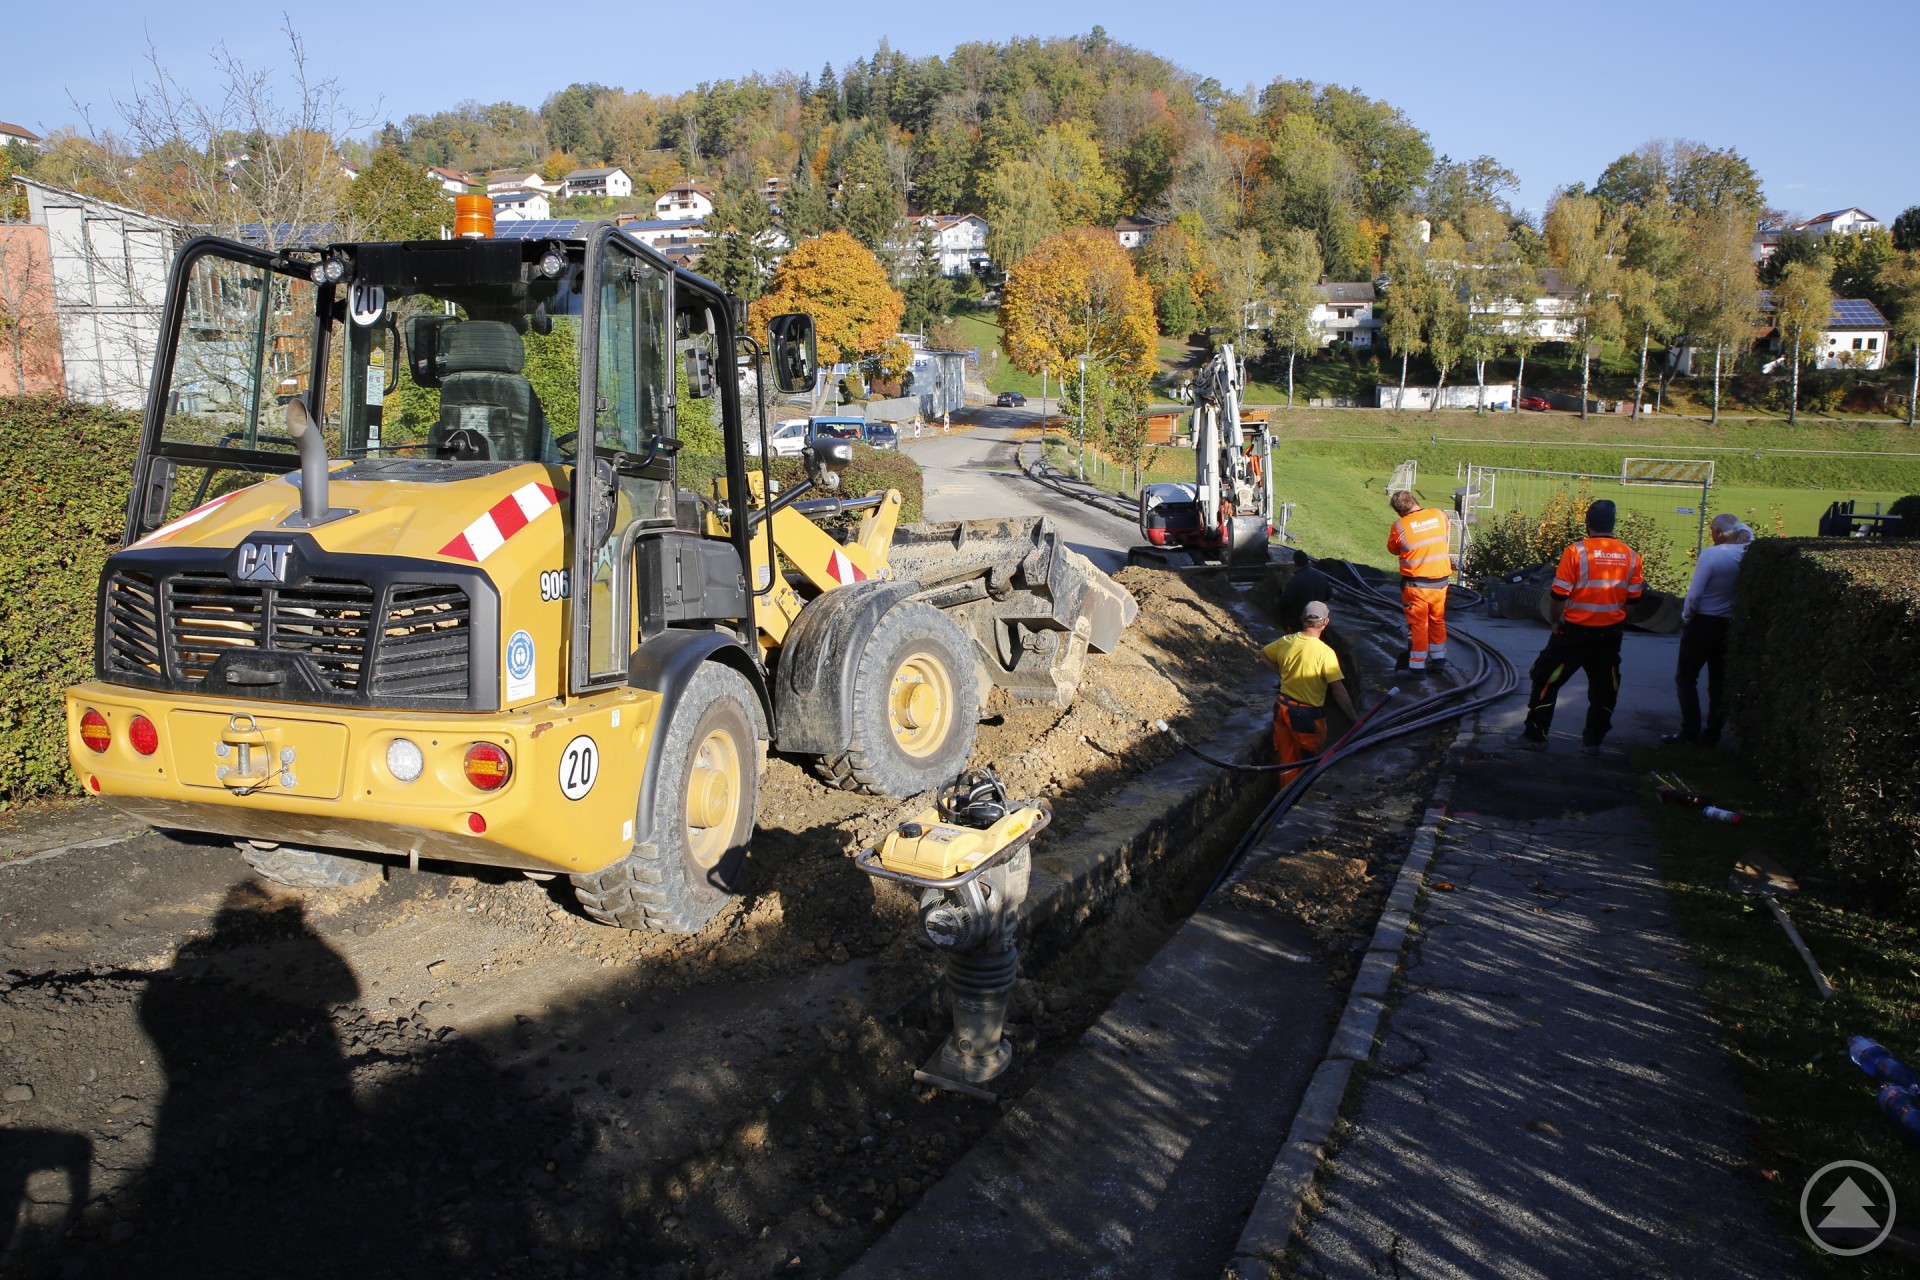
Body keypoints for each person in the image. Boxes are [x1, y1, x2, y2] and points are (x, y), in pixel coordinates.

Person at [1516, 500, 1644, 755]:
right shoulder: (1632, 556)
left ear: (1588, 524)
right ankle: (1592, 742)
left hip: (1573, 633)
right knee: (1605, 689)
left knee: (1546, 680)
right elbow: (1633, 600)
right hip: (1609, 635)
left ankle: (1535, 737)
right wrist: (1617, 620)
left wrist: (1555, 621)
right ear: (1612, 524)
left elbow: (1559, 595)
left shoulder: (1576, 552)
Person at [1664, 513, 1749, 745]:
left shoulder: (1712, 555)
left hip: (1703, 622)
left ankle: (1689, 731)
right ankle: (1713, 732)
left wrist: (1687, 617)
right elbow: (1748, 532)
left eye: (1712, 531)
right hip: (1728, 624)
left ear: (1718, 533)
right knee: (1718, 680)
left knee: (1686, 677)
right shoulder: (1746, 552)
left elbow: (1694, 595)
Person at [1260, 601, 1358, 785]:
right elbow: (1338, 690)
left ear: (1302, 619)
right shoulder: (1325, 653)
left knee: (1287, 760)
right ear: (1325, 622)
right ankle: (1301, 794)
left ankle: (1285, 794)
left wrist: (1282, 673)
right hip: (1306, 716)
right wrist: (1354, 719)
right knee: (1310, 762)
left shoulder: (1286, 641)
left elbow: (1263, 654)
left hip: (1282, 707)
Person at [1386, 490, 1454, 672]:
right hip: (1441, 581)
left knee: (1418, 625)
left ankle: (1417, 667)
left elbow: (1393, 549)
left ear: (1398, 510)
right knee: (1437, 619)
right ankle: (1439, 660)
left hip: (1416, 585)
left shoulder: (1400, 526)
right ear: (1414, 500)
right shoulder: (1440, 515)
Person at [1276, 550, 1334, 633]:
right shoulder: (1320, 576)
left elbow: (1285, 602)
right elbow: (1329, 595)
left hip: (1298, 623)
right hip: (1316, 621)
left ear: (1295, 563)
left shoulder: (1295, 580)